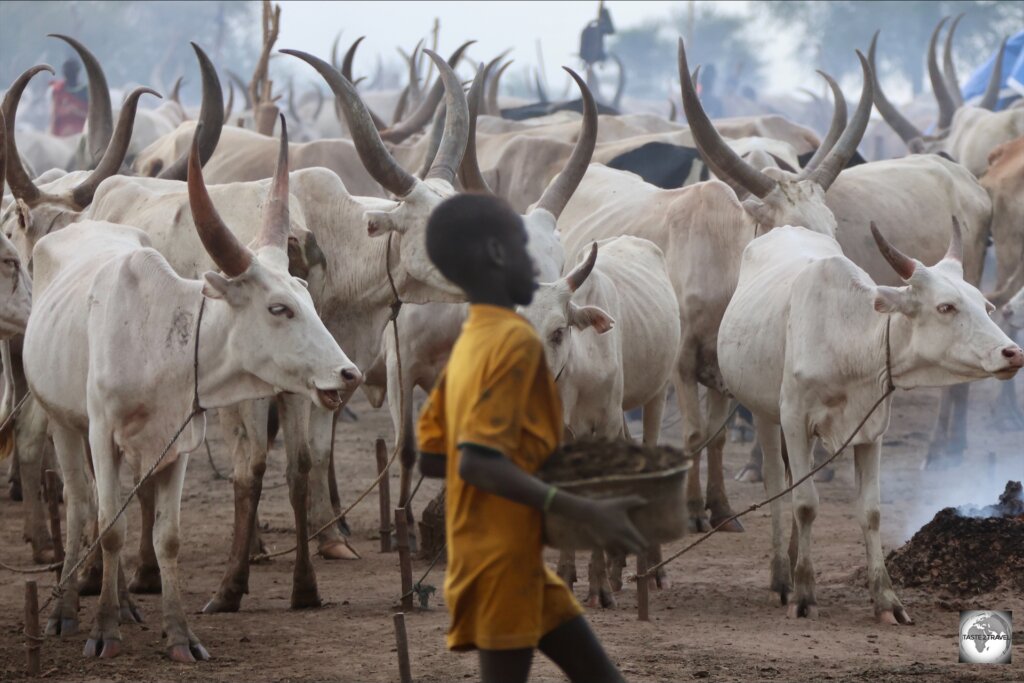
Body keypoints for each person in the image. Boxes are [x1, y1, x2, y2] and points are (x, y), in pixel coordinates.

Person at [417, 194, 646, 683]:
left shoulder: (470, 342)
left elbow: (435, 459)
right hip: (501, 567)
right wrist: (580, 508)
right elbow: (478, 463)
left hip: (501, 557)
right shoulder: (515, 342)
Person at [50, 58, 88, 137]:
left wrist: (76, 111)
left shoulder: (85, 91)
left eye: (72, 72)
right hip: (61, 136)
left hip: (81, 134)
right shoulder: (59, 90)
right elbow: (54, 115)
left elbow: (92, 117)